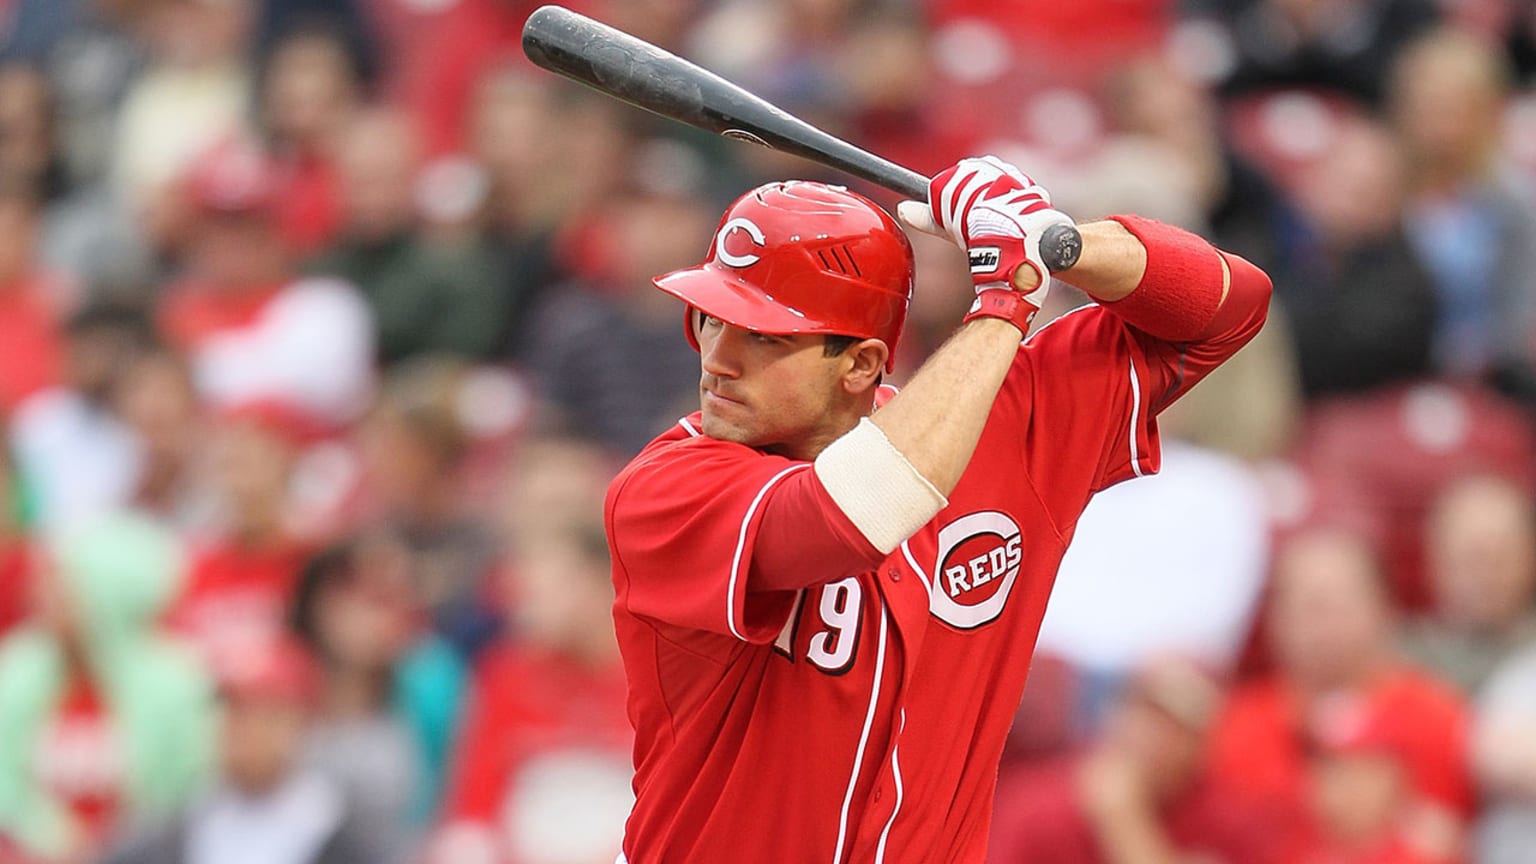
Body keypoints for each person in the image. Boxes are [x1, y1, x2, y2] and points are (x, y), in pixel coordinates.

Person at [603, 155, 1271, 862]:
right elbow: (865, 506)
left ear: (860, 364)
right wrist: (1008, 299)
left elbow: (1230, 306)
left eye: (766, 336)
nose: (718, 358)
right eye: (712, 316)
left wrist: (1054, 242)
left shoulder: (1006, 427)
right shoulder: (666, 489)